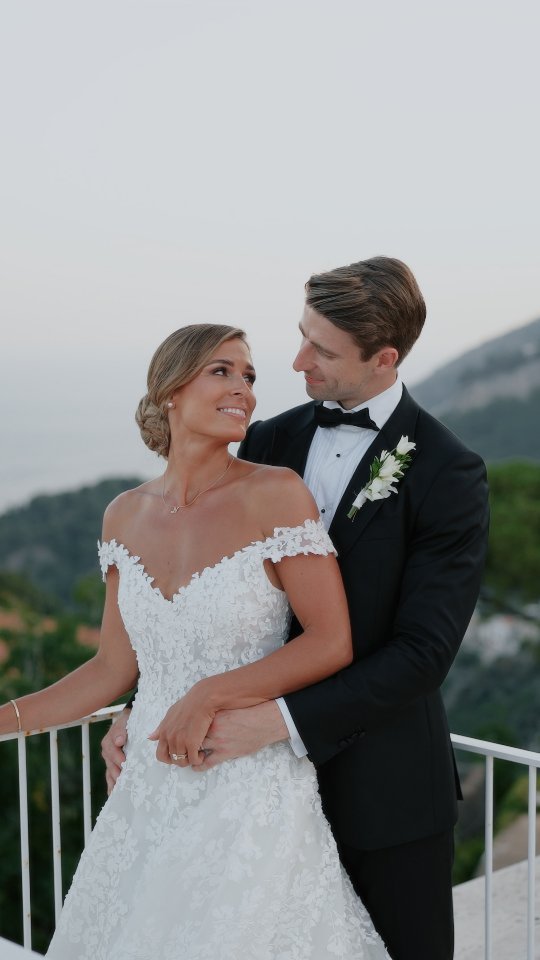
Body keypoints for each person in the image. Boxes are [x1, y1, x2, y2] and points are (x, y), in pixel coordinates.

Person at [103, 257, 490, 960]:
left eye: (322, 350)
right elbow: (218, 601)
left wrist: (273, 723)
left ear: (384, 358)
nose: (296, 360)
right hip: (246, 801)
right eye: (302, 335)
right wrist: (152, 701)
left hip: (385, 796)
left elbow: (421, 654)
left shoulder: (447, 472)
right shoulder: (267, 440)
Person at [0, 323, 391, 959]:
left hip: (246, 787)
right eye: (222, 371)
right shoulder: (123, 515)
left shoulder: (276, 495)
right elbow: (108, 670)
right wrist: (4, 720)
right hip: (146, 794)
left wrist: (210, 693)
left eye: (249, 376)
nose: (244, 388)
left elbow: (329, 641)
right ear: (170, 391)